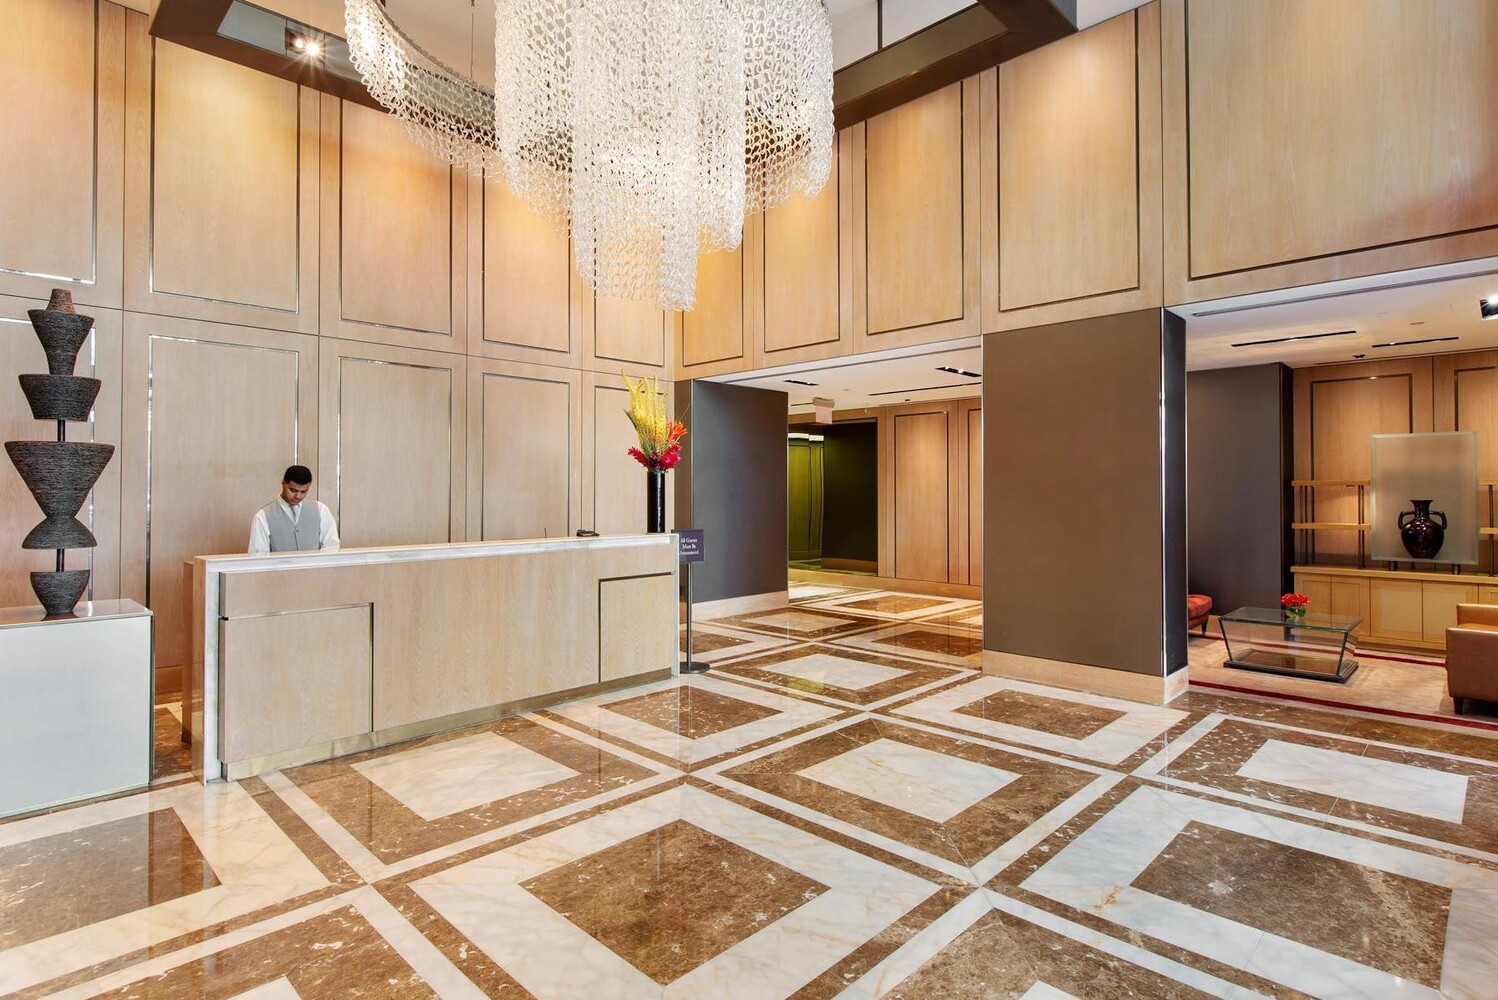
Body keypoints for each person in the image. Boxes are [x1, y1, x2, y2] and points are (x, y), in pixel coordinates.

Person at [247, 465, 340, 554]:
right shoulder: (262, 517)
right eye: (293, 490)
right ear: (283, 484)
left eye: (303, 491)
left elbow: (331, 546)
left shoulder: (321, 510)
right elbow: (258, 557)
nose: (298, 496)